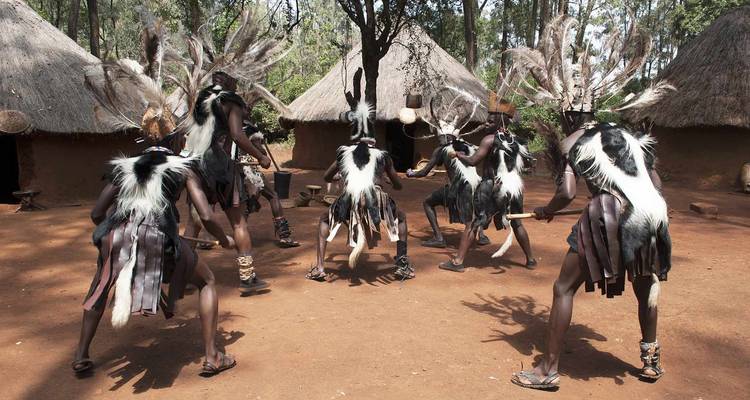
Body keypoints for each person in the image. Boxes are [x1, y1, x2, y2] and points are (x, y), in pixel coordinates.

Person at [504, 14, 671, 390]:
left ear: (567, 114)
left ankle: (547, 371)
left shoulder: (572, 141)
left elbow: (566, 194)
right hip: (652, 213)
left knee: (564, 288)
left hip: (609, 214)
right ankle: (650, 361)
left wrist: (548, 210)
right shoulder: (627, 136)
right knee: (645, 287)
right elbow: (655, 182)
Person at [74, 48, 237, 375]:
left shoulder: (126, 168)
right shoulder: (182, 167)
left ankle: (80, 355)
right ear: (176, 139)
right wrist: (225, 238)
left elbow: (96, 214)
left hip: (115, 237)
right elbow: (205, 215)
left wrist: (117, 228)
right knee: (206, 281)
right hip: (157, 241)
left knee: (99, 288)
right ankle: (212, 357)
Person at [305, 68, 414, 281]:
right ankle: (401, 264)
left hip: (349, 198)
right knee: (400, 218)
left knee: (323, 220)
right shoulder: (382, 155)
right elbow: (399, 185)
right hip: (376, 198)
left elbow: (327, 177)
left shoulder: (343, 153)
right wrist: (388, 182)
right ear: (373, 136)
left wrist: (339, 178)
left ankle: (319, 268)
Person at [181, 71, 273, 294]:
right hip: (221, 167)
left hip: (193, 165)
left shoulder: (200, 101)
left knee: (194, 222)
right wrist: (260, 157)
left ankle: (181, 277)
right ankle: (248, 278)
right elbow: (237, 135)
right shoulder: (231, 102)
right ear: (231, 84)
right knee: (239, 223)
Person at [438, 95, 537, 272]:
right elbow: (528, 164)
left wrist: (460, 156)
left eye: (492, 117)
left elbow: (473, 161)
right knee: (517, 223)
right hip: (514, 188)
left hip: (491, 186)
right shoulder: (518, 142)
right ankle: (530, 260)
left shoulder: (489, 140)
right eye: (488, 116)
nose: (488, 119)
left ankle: (458, 261)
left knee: (473, 222)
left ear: (502, 119)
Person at [406, 89, 490, 249]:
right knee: (476, 205)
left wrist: (411, 173)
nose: (438, 139)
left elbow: (424, 172)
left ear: (442, 136)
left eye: (439, 137)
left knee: (428, 203)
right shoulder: (469, 146)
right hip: (478, 185)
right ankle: (482, 235)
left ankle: (439, 238)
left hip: (461, 188)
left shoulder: (442, 150)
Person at [240, 122, 300, 248]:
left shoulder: (231, 126)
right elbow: (261, 151)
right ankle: (284, 236)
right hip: (249, 171)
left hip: (236, 170)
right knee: (271, 196)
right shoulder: (250, 130)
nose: (248, 111)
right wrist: (260, 145)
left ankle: (240, 234)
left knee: (246, 202)